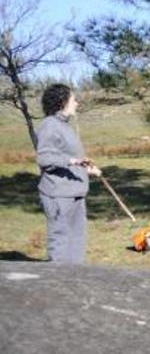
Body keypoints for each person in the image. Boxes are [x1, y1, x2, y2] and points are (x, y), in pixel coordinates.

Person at [36, 84, 102, 264]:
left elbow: (67, 156)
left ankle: (74, 280)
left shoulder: (64, 126)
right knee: (61, 241)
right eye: (73, 100)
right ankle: (57, 283)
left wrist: (87, 169)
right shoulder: (50, 125)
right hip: (59, 195)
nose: (77, 103)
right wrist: (73, 161)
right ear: (62, 102)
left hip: (76, 193)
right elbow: (45, 158)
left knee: (76, 240)